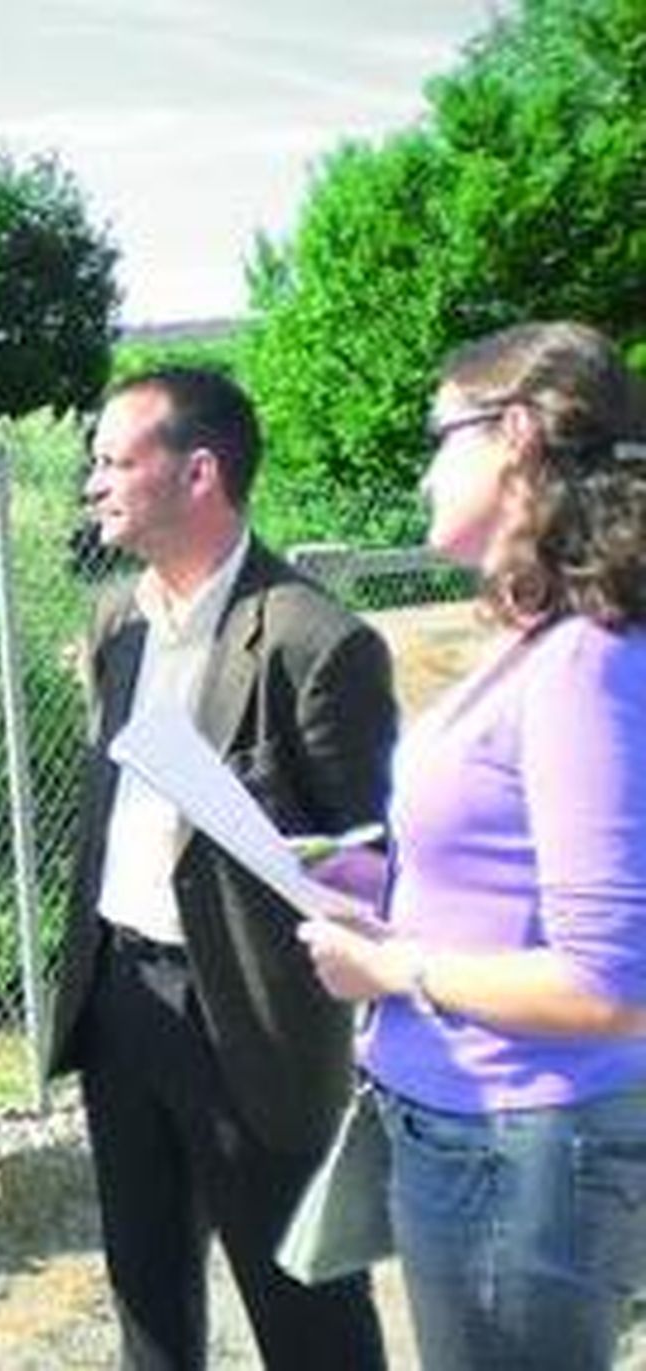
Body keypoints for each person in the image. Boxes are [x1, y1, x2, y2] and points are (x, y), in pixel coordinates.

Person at [299, 322, 646, 1371]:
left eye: (439, 433)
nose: (422, 468)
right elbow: (512, 881)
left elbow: (610, 985)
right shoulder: (545, 646)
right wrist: (369, 882)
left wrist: (392, 968)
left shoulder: (587, 661)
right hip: (479, 1133)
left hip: (519, 1144)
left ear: (520, 437)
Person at [45, 367, 397, 1370]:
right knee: (146, 1296)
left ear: (198, 472)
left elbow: (369, 865)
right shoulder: (114, 623)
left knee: (306, 1314)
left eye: (116, 460)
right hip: (121, 1001)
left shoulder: (316, 643)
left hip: (251, 1015)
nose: (93, 483)